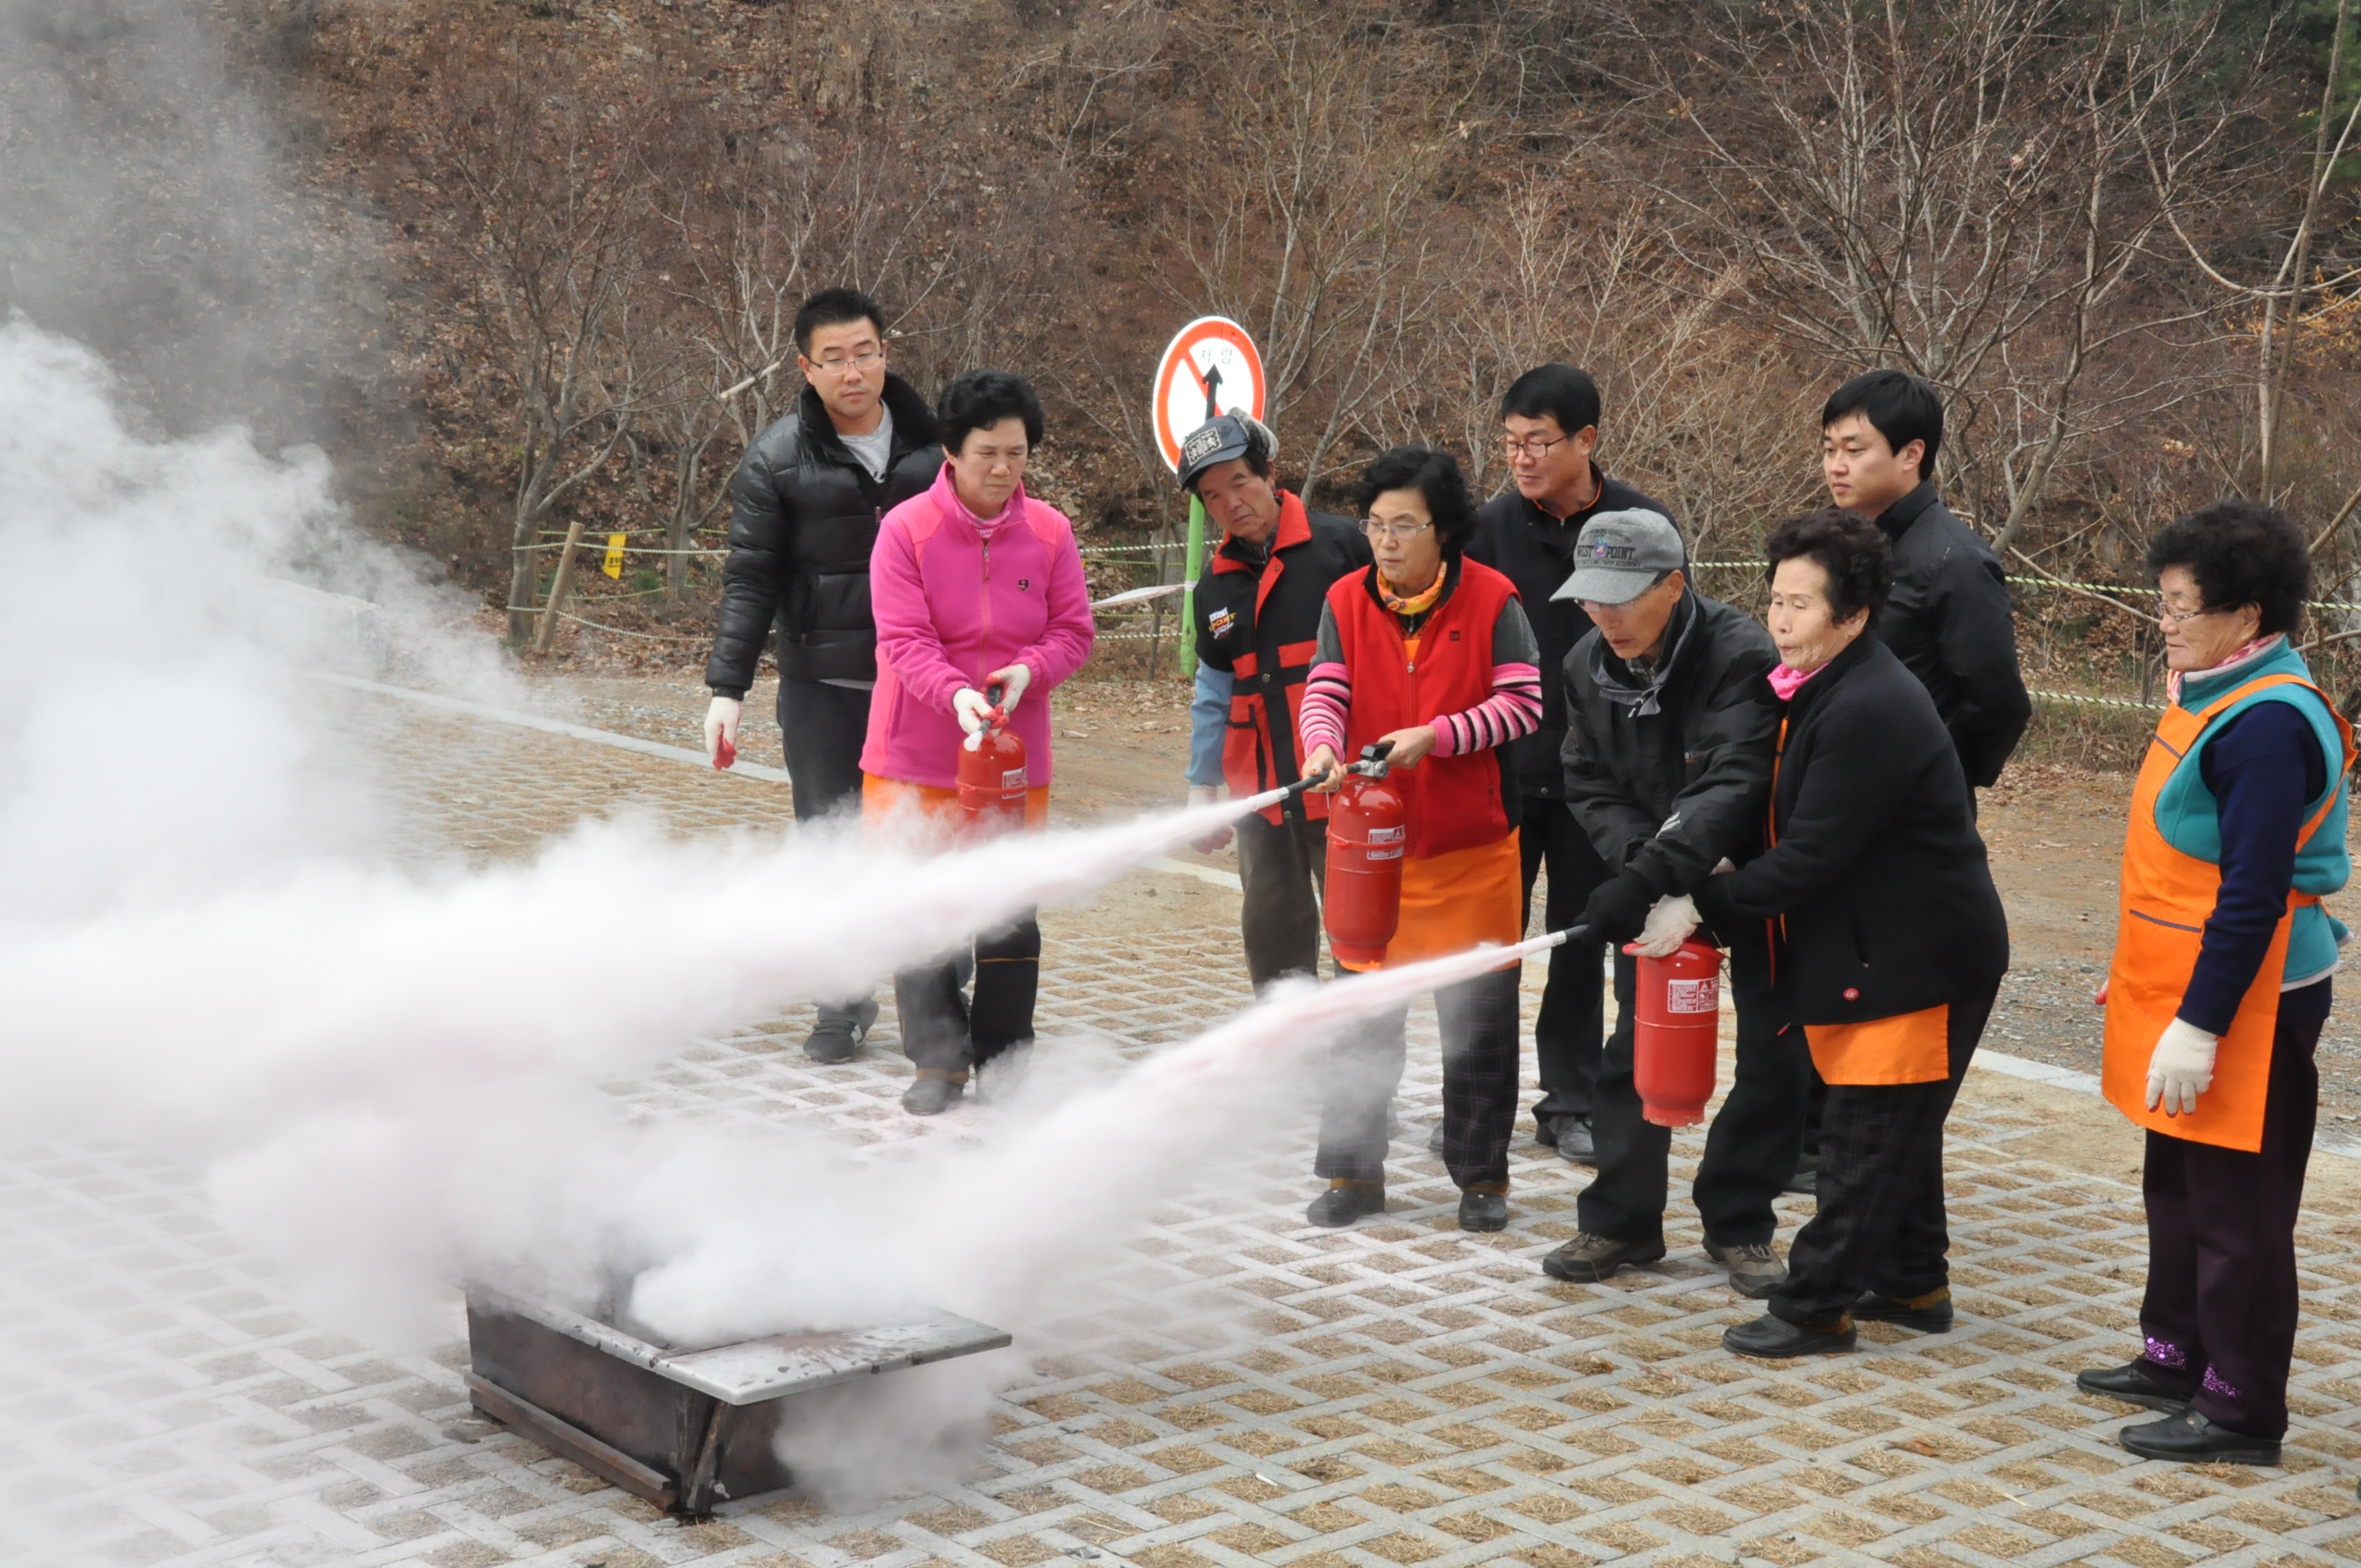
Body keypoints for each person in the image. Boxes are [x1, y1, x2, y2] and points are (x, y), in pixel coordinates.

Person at [1676, 510, 2009, 1357]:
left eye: (1800, 605)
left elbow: (1813, 855)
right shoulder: (1818, 686)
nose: (1779, 621)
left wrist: (1706, 905)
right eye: (1775, 600)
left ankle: (1815, 1305)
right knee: (1899, 1126)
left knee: (1866, 1132)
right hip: (1875, 945)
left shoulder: (1869, 704)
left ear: (1853, 616)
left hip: (1917, 957)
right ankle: (1913, 1280)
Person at [2075, 502, 2351, 1465]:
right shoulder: (2214, 690)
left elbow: (2253, 894)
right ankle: (2174, 1350)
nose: (2166, 622)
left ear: (2248, 616)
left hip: (2251, 992)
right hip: (2187, 982)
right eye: (2162, 603)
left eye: (2181, 607)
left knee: (2240, 1205)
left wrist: (2201, 1022)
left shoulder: (2270, 724)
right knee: (2180, 1185)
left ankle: (2240, 1406)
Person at [1537, 508, 1808, 1300]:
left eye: (1623, 598)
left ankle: (1740, 1222)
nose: (1606, 617)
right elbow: (1587, 779)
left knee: (1771, 1052)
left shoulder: (1739, 654)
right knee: (1634, 1047)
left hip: (1751, 876)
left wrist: (1669, 874)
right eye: (1591, 599)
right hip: (1655, 883)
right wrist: (1641, 874)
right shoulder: (1588, 663)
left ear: (1674, 585)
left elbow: (1736, 778)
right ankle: (1621, 1218)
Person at [1294, 446, 1542, 1233]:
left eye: (1405, 525)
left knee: (1478, 1028)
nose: (1388, 541)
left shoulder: (1495, 597)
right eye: (1376, 524)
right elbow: (1327, 689)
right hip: (1373, 854)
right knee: (1364, 1018)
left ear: (1444, 530)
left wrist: (1436, 736)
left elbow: (1525, 705)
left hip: (1473, 853)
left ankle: (1482, 1178)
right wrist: (1322, 746)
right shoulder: (1345, 598)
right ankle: (1353, 1174)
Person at [1803, 369, 2031, 1191]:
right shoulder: (1838, 548)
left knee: (1902, 1014)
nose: (1837, 464)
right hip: (1839, 811)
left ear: (1912, 454)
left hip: (1913, 825)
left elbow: (1999, 700)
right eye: (1829, 448)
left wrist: (1942, 779)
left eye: (1855, 449)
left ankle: (1874, 1194)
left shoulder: (1953, 560)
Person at [704, 288, 944, 1063]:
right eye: (834, 358)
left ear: (886, 353)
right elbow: (750, 579)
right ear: (806, 368)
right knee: (831, 845)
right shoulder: (776, 457)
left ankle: (933, 1010)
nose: (854, 371)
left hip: (924, 686)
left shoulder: (938, 449)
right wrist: (727, 691)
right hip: (822, 685)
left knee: (924, 845)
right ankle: (841, 1004)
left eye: (865, 352)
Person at [860, 370, 1095, 1116]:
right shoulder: (905, 531)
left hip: (1012, 756)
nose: (1002, 469)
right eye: (987, 452)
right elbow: (903, 637)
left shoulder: (1051, 532)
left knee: (1009, 908)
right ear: (951, 453)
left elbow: (1074, 633)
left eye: (1017, 453)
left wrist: (1030, 672)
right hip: (918, 752)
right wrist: (956, 693)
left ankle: (1005, 1057)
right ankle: (937, 1060)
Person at [1468, 364, 1676, 1167]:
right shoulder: (1486, 531)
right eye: (1512, 444)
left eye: (1540, 443)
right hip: (1505, 772)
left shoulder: (1642, 525)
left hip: (1604, 782)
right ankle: (1477, 1099)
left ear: (1587, 440)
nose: (1522, 459)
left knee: (1583, 939)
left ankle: (1573, 1101)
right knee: (1489, 947)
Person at [1180, 414, 1372, 990]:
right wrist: (1201, 786)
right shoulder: (1214, 586)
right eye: (1213, 497)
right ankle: (1287, 1068)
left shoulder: (1344, 547)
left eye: (1240, 482)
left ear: (1269, 474)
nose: (1231, 503)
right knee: (1272, 941)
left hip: (1344, 785)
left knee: (1359, 942)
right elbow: (1213, 695)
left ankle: (1364, 1076)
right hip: (1260, 798)